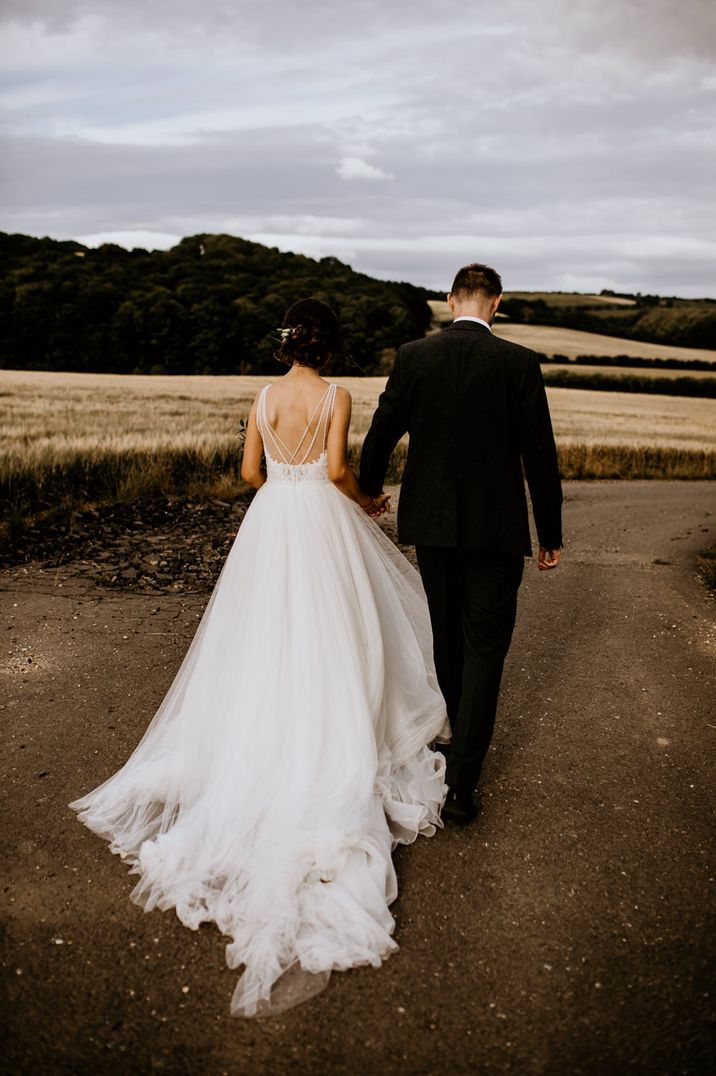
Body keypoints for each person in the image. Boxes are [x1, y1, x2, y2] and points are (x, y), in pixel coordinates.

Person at [69, 298, 450, 1018]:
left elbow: (250, 473)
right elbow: (338, 469)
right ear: (328, 347)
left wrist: (284, 480)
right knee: (339, 635)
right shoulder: (336, 396)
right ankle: (330, 737)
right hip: (319, 524)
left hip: (272, 521)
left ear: (285, 346)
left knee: (259, 637)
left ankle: (256, 742)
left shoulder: (265, 395)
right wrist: (366, 500)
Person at [359, 263, 563, 824]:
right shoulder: (518, 363)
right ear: (496, 303)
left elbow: (381, 434)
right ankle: (464, 784)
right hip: (497, 532)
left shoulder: (414, 356)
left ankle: (454, 750)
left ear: (450, 300)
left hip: (433, 526)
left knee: (447, 639)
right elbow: (539, 455)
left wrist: (369, 491)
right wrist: (551, 532)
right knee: (486, 650)